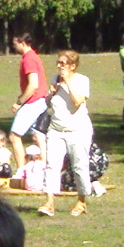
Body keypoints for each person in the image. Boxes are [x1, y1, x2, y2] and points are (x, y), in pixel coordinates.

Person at [39, 50, 95, 219]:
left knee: (79, 166)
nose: (59, 66)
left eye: (63, 63)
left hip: (78, 131)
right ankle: (49, 203)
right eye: (58, 62)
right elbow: (48, 103)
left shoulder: (82, 80)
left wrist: (68, 81)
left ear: (72, 66)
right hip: (56, 129)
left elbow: (77, 102)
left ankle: (81, 201)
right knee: (52, 165)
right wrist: (51, 93)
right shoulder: (55, 79)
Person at [11, 32, 49, 140]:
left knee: (14, 136)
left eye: (15, 44)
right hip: (40, 100)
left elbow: (33, 85)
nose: (13, 47)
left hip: (33, 102)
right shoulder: (33, 56)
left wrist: (19, 103)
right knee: (37, 137)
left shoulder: (29, 59)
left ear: (23, 43)